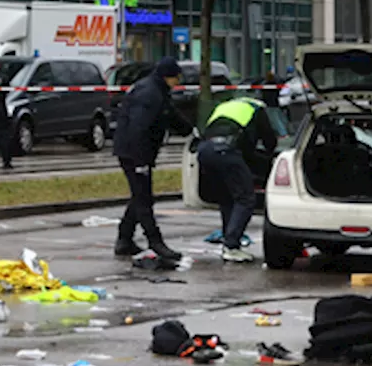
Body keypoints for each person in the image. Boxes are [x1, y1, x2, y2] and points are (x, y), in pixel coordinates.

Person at [113, 56, 196, 261]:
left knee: (139, 195)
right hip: (134, 153)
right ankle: (155, 242)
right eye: (177, 78)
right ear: (168, 77)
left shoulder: (156, 90)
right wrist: (141, 161)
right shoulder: (150, 94)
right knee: (144, 198)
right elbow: (138, 128)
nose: (178, 82)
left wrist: (190, 130)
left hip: (135, 151)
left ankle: (124, 240)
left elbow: (169, 115)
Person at [197, 95, 279, 263]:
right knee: (246, 198)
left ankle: (229, 240)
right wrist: (267, 157)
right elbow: (269, 140)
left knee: (226, 198)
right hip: (226, 150)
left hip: (205, 151)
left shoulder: (225, 107)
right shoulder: (257, 109)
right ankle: (232, 246)